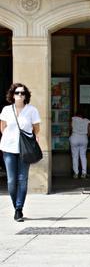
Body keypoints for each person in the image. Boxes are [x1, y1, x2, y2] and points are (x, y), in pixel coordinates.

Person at [0, 83, 41, 222]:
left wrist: (31, 140)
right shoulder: (6, 110)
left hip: (25, 150)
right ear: (12, 94)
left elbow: (36, 128)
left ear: (26, 96)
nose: (19, 95)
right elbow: (3, 128)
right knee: (11, 181)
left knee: (22, 180)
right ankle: (15, 206)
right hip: (8, 148)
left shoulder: (32, 110)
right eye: (17, 93)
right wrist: (11, 139)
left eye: (22, 93)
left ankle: (19, 209)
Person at [69, 111, 90, 179]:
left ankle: (76, 173)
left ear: (76, 115)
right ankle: (84, 173)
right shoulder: (87, 121)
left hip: (74, 137)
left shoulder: (73, 119)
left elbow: (70, 128)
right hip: (84, 138)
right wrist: (85, 136)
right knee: (83, 156)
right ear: (82, 116)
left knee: (75, 156)